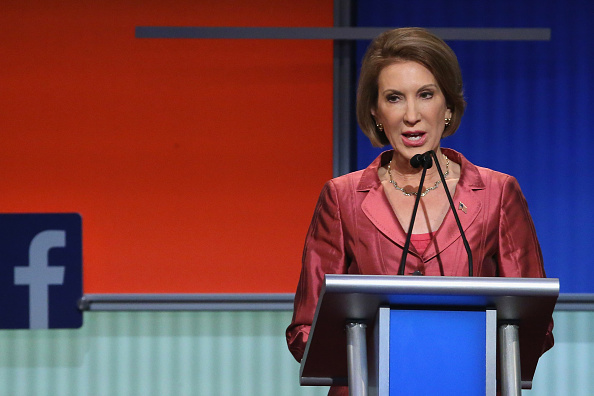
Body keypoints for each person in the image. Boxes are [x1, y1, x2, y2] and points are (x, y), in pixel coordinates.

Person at [286, 27, 554, 395]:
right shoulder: (342, 197)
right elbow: (305, 330)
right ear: (376, 112)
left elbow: (535, 325)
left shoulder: (497, 193)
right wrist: (392, 353)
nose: (411, 115)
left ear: (447, 107)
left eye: (425, 95)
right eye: (395, 98)